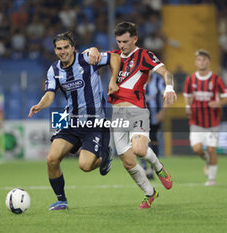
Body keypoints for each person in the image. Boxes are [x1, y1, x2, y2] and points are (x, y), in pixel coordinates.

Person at [88, 22, 176, 209]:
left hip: (137, 109)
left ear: (135, 39)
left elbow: (166, 72)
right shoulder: (114, 56)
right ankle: (150, 193)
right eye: (119, 41)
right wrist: (92, 48)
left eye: (125, 41)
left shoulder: (144, 55)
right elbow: (91, 57)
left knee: (139, 150)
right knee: (128, 163)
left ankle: (158, 167)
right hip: (117, 114)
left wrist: (169, 87)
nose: (121, 45)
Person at [28, 31, 120, 210]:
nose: (63, 51)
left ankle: (104, 156)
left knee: (85, 166)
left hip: (95, 122)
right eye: (59, 48)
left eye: (66, 47)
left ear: (73, 48)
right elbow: (49, 94)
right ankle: (61, 200)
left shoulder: (87, 58)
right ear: (55, 50)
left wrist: (113, 80)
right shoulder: (53, 70)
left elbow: (115, 57)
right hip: (69, 120)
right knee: (52, 160)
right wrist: (40, 105)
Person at [184, 49, 227, 186]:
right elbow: (187, 96)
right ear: (196, 62)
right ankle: (206, 160)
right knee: (197, 149)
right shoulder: (190, 79)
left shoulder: (216, 79)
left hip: (213, 121)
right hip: (196, 120)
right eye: (199, 59)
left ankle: (211, 179)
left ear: (209, 62)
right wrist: (188, 108)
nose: (201, 62)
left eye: (204, 59)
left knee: (211, 149)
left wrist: (218, 103)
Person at [140, 71, 167, 180]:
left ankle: (152, 167)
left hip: (155, 117)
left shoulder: (158, 80)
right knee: (141, 141)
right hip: (140, 117)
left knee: (153, 141)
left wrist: (162, 112)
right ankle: (145, 168)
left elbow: (166, 96)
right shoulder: (137, 79)